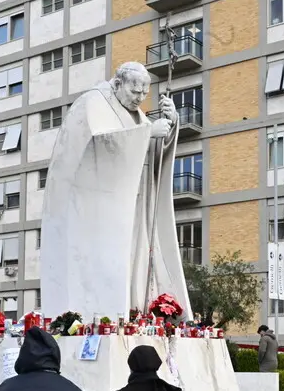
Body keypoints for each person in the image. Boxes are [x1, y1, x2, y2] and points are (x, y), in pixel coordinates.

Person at [41, 61, 192, 320]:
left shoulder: (137, 115)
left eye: (145, 94)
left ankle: (137, 308)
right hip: (102, 212)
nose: (140, 99)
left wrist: (171, 124)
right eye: (135, 93)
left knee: (139, 257)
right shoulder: (92, 103)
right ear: (118, 83)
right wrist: (146, 133)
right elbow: (96, 146)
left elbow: (151, 152)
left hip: (136, 203)